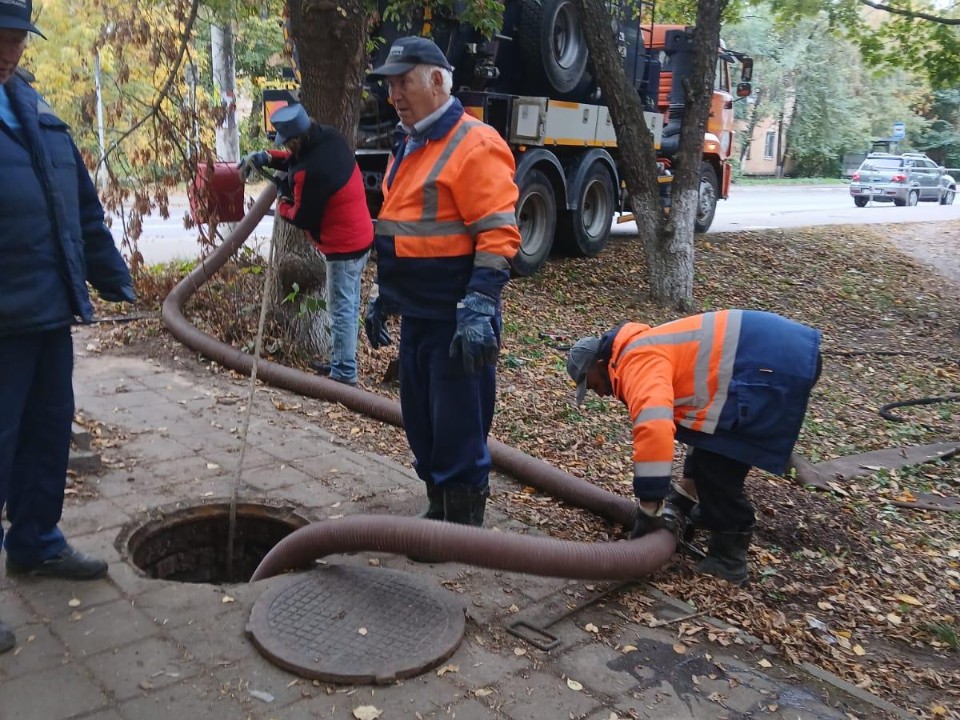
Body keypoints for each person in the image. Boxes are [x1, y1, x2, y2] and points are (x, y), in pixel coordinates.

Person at [1, 0, 135, 654]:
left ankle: (35, 543)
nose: (7, 49)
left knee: (46, 435)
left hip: (48, 314)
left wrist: (113, 276)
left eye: (16, 38)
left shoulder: (38, 114)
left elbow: (83, 210)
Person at [364, 36, 521, 526]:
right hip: (418, 310)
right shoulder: (409, 143)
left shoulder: (475, 143)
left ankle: (461, 520)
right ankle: (439, 502)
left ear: (436, 79)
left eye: (403, 82)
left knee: (456, 422)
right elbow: (399, 226)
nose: (395, 95)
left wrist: (478, 305)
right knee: (422, 420)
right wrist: (380, 294)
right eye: (390, 85)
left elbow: (497, 233)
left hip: (457, 316)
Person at [567, 310, 822, 584]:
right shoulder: (638, 348)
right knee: (716, 450)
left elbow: (654, 430)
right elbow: (701, 417)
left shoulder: (636, 363)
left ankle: (728, 559)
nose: (601, 394)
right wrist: (683, 495)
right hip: (772, 357)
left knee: (720, 467)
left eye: (592, 384)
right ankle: (704, 510)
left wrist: (650, 508)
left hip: (775, 364)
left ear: (601, 363)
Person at [238, 104, 374, 387]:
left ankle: (345, 374)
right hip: (361, 238)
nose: (285, 147)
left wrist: (283, 205)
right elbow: (293, 161)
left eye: (286, 143)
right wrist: (267, 157)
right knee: (348, 306)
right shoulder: (329, 138)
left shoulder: (309, 171)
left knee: (341, 310)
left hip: (343, 248)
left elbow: (302, 217)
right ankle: (341, 361)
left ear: (295, 140)